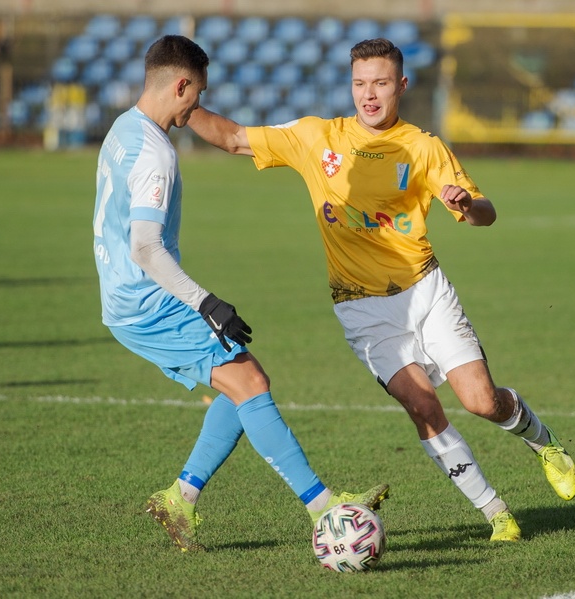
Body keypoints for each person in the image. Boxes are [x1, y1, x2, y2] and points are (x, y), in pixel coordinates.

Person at [187, 37, 575, 542]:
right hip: (361, 306)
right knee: (422, 405)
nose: (368, 95)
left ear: (401, 85)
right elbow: (234, 138)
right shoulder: (317, 136)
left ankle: (541, 440)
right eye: (359, 83)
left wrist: (465, 204)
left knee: (481, 401)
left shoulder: (422, 146)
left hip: (426, 289)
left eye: (380, 83)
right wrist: (180, 103)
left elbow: (486, 213)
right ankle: (497, 513)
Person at [92, 35, 388, 553]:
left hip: (126, 295)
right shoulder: (155, 153)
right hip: (146, 300)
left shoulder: (123, 129)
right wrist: (205, 302)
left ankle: (180, 497)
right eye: (195, 94)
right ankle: (327, 512)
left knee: (245, 381)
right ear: (180, 84)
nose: (194, 107)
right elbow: (144, 246)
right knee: (250, 383)